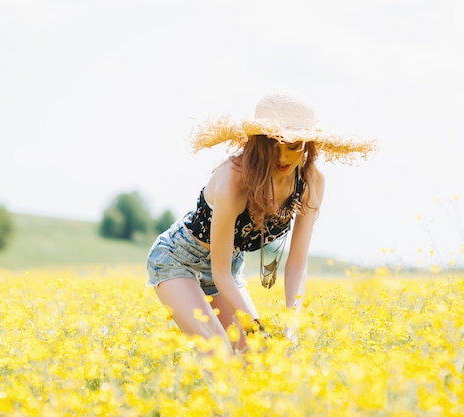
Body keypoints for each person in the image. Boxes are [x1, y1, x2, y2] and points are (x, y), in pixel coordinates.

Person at [146, 93, 375, 353]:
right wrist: (256, 328)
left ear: (307, 146)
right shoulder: (234, 180)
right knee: (220, 353)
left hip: (228, 270)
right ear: (257, 142)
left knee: (255, 360)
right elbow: (218, 271)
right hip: (178, 261)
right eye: (272, 144)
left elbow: (297, 262)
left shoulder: (311, 181)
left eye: (292, 146)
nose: (282, 157)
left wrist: (292, 326)